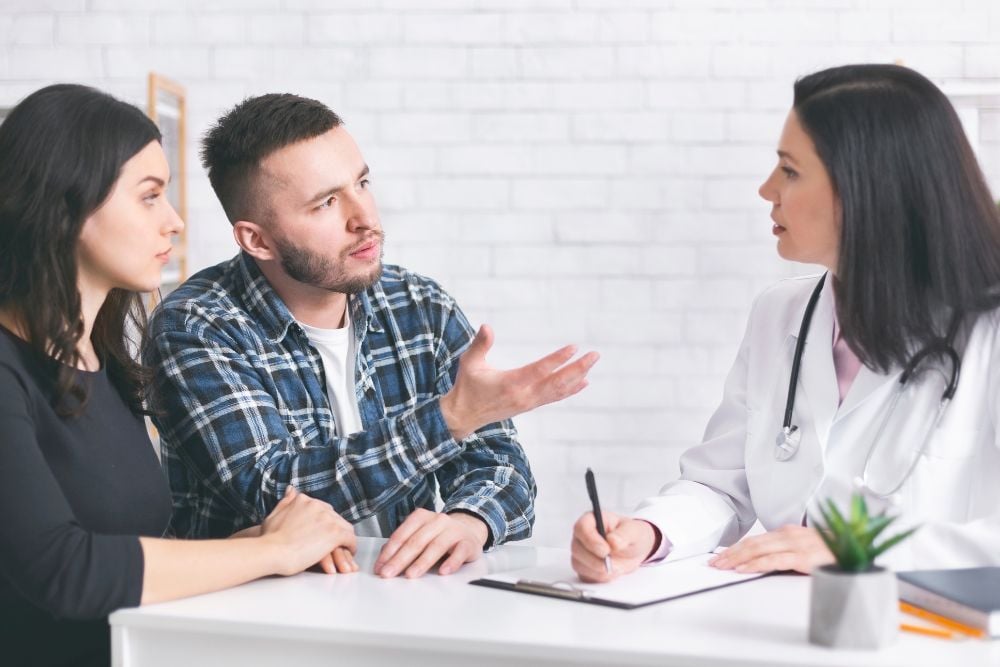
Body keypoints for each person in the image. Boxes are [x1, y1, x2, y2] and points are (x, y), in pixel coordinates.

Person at [571, 64, 1000, 582]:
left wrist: (857, 549)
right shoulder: (779, 314)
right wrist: (648, 533)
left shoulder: (988, 330)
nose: (766, 189)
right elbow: (722, 484)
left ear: (867, 188)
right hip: (778, 618)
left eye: (790, 171)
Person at [145, 93, 599, 580]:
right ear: (258, 240)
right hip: (254, 607)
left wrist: (469, 522)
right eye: (326, 203)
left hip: (403, 597)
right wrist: (449, 419)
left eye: (361, 183)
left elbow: (501, 466)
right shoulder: (196, 325)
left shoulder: (419, 305)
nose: (364, 219)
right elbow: (272, 493)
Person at [0, 85, 360, 667]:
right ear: (65, 205)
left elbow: (131, 551)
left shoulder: (105, 361)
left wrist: (269, 543)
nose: (174, 222)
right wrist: (271, 550)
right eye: (149, 197)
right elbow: (63, 569)